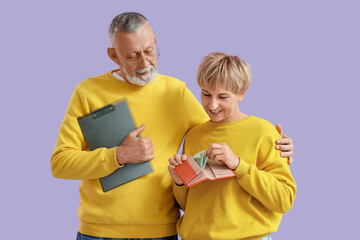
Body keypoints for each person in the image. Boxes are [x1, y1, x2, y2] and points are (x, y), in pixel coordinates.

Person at [51, 12, 294, 240]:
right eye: (133, 55)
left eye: (149, 50)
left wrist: (278, 145)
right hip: (98, 231)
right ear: (113, 55)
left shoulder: (176, 92)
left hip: (161, 231)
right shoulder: (87, 91)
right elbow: (60, 164)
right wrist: (119, 155)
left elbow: (222, 128)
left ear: (156, 41)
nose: (145, 62)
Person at [168, 52, 297, 240]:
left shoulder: (264, 132)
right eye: (206, 94)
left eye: (222, 96)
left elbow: (284, 200)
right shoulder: (194, 135)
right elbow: (190, 205)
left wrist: (238, 165)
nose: (212, 105)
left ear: (241, 94)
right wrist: (179, 181)